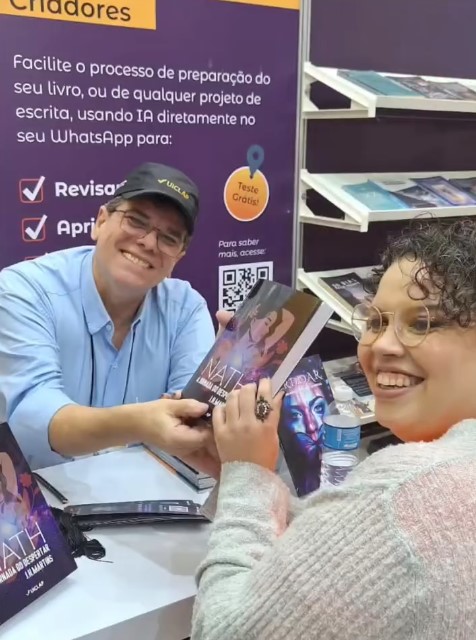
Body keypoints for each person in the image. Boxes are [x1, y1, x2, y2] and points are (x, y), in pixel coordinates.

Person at [191, 219, 476, 639]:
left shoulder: (398, 493)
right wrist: (241, 476)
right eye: (375, 322)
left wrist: (246, 476)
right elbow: (341, 550)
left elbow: (223, 631)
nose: (381, 345)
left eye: (421, 324)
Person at [0, 162, 217, 470]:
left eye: (169, 238)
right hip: (36, 491)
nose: (148, 242)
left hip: (148, 492)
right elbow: (31, 419)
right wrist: (139, 423)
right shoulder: (24, 289)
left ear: (178, 257)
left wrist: (230, 376)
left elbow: (191, 417)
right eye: (136, 221)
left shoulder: (186, 308)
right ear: (101, 221)